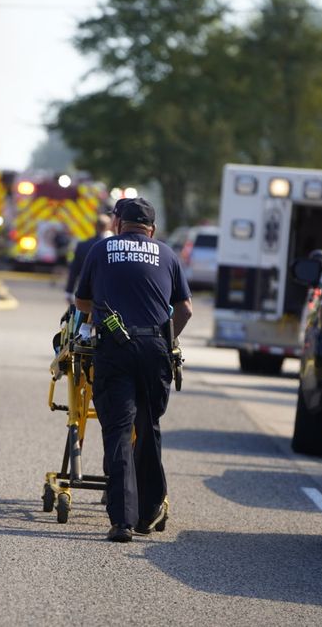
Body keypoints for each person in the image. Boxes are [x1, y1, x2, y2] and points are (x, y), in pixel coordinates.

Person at [74, 197, 193, 543]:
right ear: (151, 229)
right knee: (149, 426)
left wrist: (95, 308)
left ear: (118, 224)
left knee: (119, 431)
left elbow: (82, 302)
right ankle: (149, 510)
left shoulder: (101, 250)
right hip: (156, 349)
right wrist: (166, 339)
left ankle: (122, 521)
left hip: (115, 348)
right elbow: (185, 309)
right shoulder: (167, 254)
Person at [64, 213, 113, 304]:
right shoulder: (113, 247)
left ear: (95, 226)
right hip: (108, 297)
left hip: (86, 297)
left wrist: (69, 291)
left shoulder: (82, 246)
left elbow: (74, 271)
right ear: (109, 226)